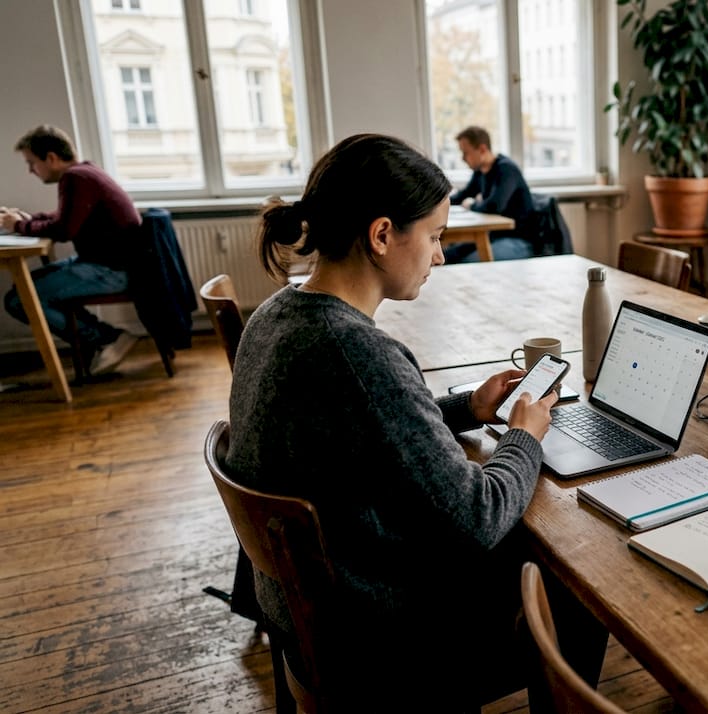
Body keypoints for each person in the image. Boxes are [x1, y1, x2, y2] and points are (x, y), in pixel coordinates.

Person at [225, 133, 606, 710]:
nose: (438, 256)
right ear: (381, 235)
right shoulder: (357, 353)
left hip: (305, 607)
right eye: (433, 237)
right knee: (580, 574)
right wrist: (525, 435)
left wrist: (466, 408)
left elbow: (370, 430)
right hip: (382, 638)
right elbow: (478, 516)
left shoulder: (275, 314)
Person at [1, 125, 142, 375]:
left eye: (31, 163)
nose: (31, 171)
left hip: (110, 270)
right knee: (25, 290)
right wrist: (26, 219)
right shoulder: (86, 171)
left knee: (19, 299)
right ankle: (100, 338)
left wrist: (20, 225)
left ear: (52, 158)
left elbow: (64, 230)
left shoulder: (75, 178)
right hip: (108, 263)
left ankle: (106, 338)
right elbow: (63, 218)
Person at [446, 125, 537, 262]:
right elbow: (463, 196)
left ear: (482, 149)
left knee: (469, 263)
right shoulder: (480, 172)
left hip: (518, 240)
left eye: (466, 153)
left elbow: (494, 206)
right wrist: (439, 203)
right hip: (493, 236)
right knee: (447, 256)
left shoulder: (506, 170)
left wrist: (471, 205)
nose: (463, 158)